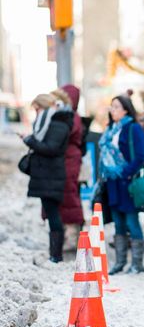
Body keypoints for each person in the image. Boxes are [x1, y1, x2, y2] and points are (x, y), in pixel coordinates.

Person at [100, 95, 144, 274]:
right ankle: (120, 262)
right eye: (111, 107)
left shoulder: (133, 128)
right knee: (118, 223)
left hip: (127, 182)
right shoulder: (110, 129)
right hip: (112, 183)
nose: (113, 111)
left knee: (132, 221)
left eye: (116, 107)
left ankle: (137, 263)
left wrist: (126, 173)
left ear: (126, 110)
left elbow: (141, 156)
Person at [21, 94, 72, 263]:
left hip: (52, 175)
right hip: (47, 175)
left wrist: (29, 141)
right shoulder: (50, 122)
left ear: (44, 107)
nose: (36, 113)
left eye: (37, 109)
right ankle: (54, 253)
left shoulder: (58, 124)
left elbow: (51, 148)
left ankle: (56, 255)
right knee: (51, 213)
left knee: (53, 213)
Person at [52, 86, 85, 251]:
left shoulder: (73, 118)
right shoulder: (65, 115)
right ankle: (64, 234)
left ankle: (73, 235)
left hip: (70, 160)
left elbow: (64, 133)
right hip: (62, 159)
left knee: (69, 195)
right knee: (60, 197)